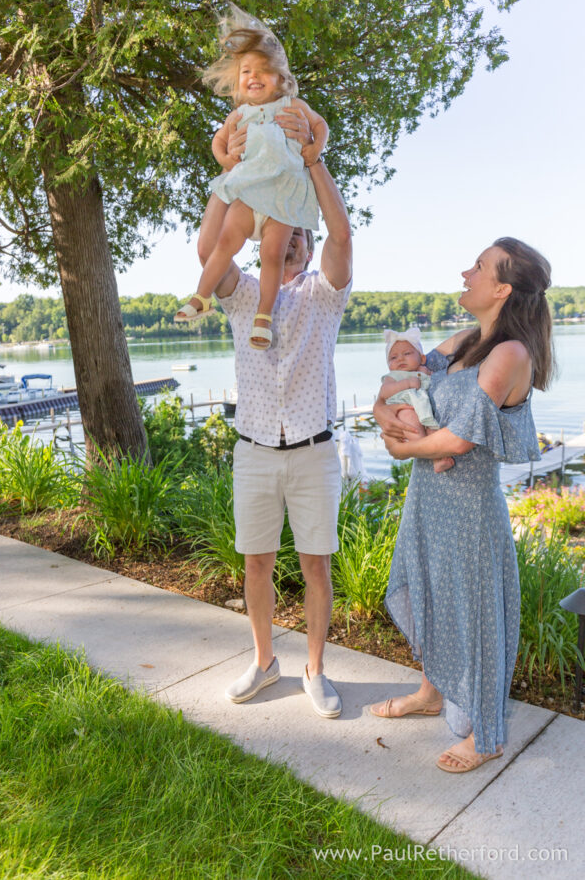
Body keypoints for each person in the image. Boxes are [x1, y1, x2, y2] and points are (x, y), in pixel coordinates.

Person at [371, 238, 554, 772]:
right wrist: (385, 415)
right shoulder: (462, 342)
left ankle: (486, 735)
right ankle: (431, 693)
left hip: (470, 511)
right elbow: (395, 385)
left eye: (478, 267)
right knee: (429, 590)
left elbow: (458, 440)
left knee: (473, 615)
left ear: (502, 289)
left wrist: (401, 447)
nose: (465, 273)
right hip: (427, 500)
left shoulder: (510, 353)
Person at [195, 116, 352, 718]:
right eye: (277, 233)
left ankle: (315, 669)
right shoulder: (241, 297)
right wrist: (231, 175)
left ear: (306, 244)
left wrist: (312, 160)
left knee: (316, 566)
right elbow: (209, 251)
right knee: (256, 563)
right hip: (255, 449)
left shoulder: (324, 295)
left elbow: (341, 235)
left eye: (297, 236)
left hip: (314, 450)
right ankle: (264, 663)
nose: (288, 244)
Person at [174, 4, 328, 350]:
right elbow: (218, 141)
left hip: (282, 198)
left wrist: (314, 148)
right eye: (246, 71)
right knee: (226, 241)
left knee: (271, 254)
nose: (254, 77)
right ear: (238, 80)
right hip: (249, 193)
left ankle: (263, 318)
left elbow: (320, 125)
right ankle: (202, 296)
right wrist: (227, 160)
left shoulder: (293, 106)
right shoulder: (239, 114)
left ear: (282, 79)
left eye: (263, 71)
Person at [379, 328, 454, 473]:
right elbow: (384, 392)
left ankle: (439, 459)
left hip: (425, 409)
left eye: (407, 354)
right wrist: (406, 384)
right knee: (414, 429)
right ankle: (430, 455)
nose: (400, 359)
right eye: (393, 358)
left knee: (433, 430)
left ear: (422, 358)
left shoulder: (423, 371)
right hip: (405, 409)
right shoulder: (394, 376)